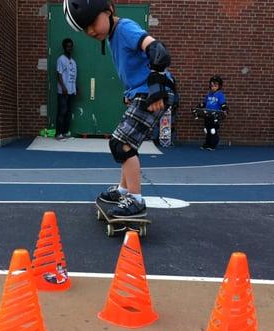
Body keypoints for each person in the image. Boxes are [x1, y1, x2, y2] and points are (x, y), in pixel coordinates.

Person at [63, 0, 176, 217]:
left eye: (91, 23)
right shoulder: (114, 36)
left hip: (154, 93)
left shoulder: (124, 28)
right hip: (141, 93)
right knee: (123, 143)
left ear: (108, 10)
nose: (90, 31)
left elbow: (157, 50)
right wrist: (130, 95)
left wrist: (156, 85)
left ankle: (135, 200)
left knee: (121, 143)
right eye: (84, 29)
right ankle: (124, 190)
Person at [55, 38, 78, 141]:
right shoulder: (61, 59)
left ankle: (65, 133)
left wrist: (75, 88)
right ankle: (58, 133)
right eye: (67, 46)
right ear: (64, 47)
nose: (69, 48)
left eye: (71, 46)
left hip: (71, 91)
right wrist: (63, 87)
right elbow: (59, 74)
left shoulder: (73, 62)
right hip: (63, 91)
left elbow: (73, 76)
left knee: (68, 112)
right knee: (62, 112)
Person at [198, 75, 228, 150]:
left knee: (213, 130)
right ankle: (207, 143)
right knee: (207, 130)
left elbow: (223, 104)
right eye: (211, 85)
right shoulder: (209, 94)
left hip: (215, 115)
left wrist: (225, 110)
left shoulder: (220, 95)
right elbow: (205, 103)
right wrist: (200, 106)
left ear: (219, 86)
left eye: (215, 85)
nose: (213, 87)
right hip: (208, 114)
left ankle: (213, 144)